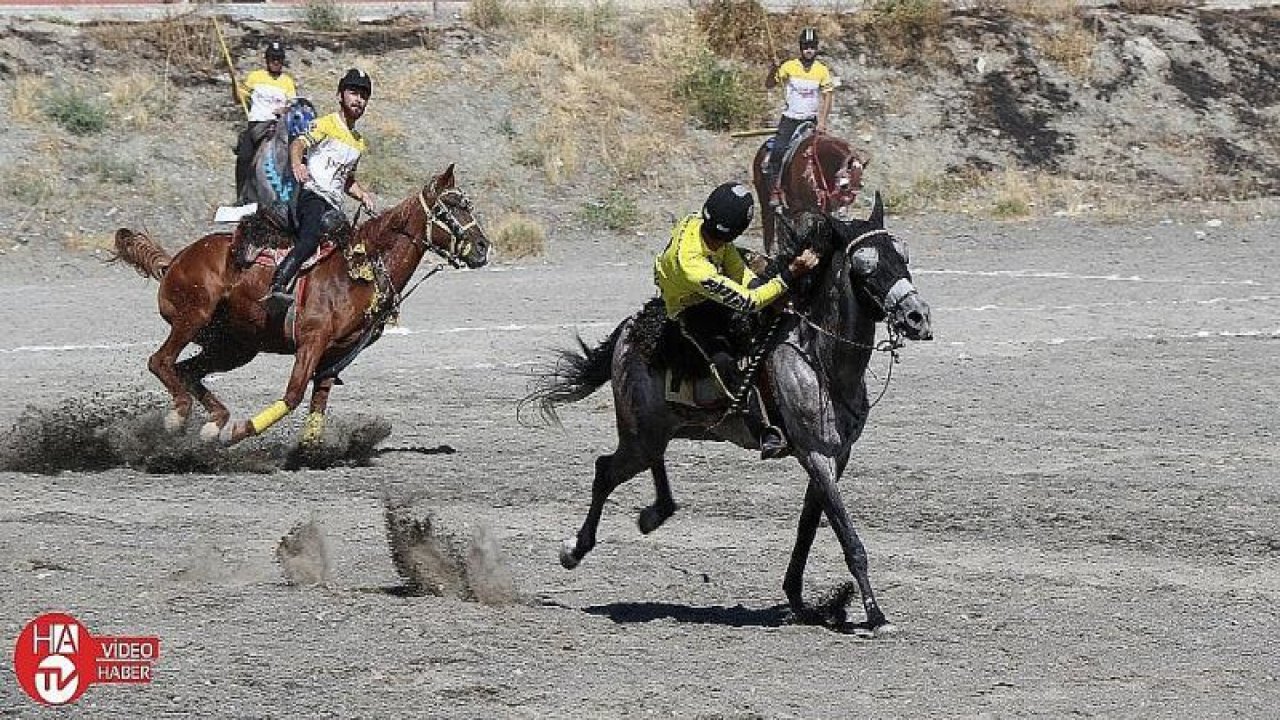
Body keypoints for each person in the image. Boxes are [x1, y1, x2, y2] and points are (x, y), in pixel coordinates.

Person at [653, 182, 819, 459]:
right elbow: (748, 302)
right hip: (689, 307)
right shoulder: (694, 266)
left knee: (764, 278)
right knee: (724, 362)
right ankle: (763, 428)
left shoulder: (702, 225)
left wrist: (771, 288)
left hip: (703, 283)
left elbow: (740, 273)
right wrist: (790, 274)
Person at [264, 68, 377, 312]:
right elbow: (298, 143)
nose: (358, 100)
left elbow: (347, 181)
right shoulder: (326, 123)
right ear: (340, 95)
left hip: (334, 205)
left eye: (363, 96)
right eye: (353, 92)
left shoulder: (358, 142)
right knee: (310, 238)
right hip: (312, 195)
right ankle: (277, 284)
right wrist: (297, 163)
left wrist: (363, 194)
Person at [764, 27, 836, 209]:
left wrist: (822, 121)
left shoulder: (822, 71)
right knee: (778, 151)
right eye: (805, 47)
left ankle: (826, 192)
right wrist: (773, 69)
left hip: (810, 121)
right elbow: (769, 84)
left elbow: (828, 95)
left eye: (812, 47)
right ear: (800, 48)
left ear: (817, 48)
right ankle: (775, 190)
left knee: (822, 154)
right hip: (790, 119)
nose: (809, 50)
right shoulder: (789, 66)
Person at [234, 39, 298, 204]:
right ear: (267, 59)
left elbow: (292, 106)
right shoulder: (255, 77)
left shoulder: (287, 82)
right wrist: (235, 88)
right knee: (243, 157)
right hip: (256, 124)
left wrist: (284, 110)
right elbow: (238, 98)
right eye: (272, 58)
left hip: (276, 126)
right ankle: (241, 196)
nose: (275, 62)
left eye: (278, 59)